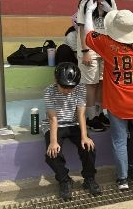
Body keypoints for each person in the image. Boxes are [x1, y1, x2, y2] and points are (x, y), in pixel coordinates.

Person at [83, 0, 133, 191]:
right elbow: (123, 26)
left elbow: (88, 34)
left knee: (119, 141)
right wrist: (113, 12)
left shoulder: (107, 44)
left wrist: (89, 11)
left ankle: (122, 179)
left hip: (118, 103)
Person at [41, 62, 99, 200]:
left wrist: (84, 136)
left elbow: (81, 114)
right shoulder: (49, 91)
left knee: (89, 147)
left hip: (74, 124)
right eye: (64, 86)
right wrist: (53, 142)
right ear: (56, 80)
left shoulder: (80, 89)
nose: (67, 90)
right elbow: (53, 118)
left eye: (71, 87)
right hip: (55, 125)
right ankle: (64, 180)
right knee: (52, 154)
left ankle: (89, 178)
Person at [76, 0, 119, 132]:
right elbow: (82, 28)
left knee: (102, 82)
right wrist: (85, 50)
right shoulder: (86, 2)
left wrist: (110, 10)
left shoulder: (111, 1)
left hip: (105, 48)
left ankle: (100, 113)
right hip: (90, 49)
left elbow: (116, 23)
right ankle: (90, 116)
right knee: (91, 84)